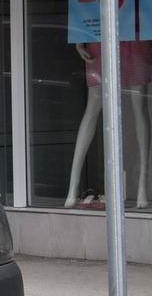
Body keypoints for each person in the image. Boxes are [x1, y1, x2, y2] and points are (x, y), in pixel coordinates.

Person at [64, 41, 150, 209]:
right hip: (101, 37)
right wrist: (79, 40)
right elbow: (83, 13)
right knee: (92, 111)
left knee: (139, 109)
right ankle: (72, 186)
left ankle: (142, 187)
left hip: (134, 34)